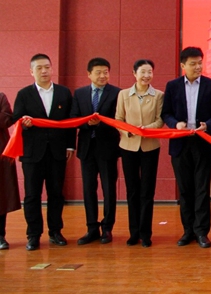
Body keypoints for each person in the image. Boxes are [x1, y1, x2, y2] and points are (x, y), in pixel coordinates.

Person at [162, 47, 211, 248]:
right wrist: (175, 124)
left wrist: (209, 125)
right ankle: (187, 230)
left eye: (199, 63)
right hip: (180, 143)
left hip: (203, 142)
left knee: (202, 189)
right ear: (183, 65)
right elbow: (166, 113)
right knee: (185, 189)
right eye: (193, 64)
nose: (198, 67)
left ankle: (201, 232)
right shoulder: (172, 86)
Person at [12, 53, 75, 251]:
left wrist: (70, 146)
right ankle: (33, 235)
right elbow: (16, 119)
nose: (44, 71)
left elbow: (71, 121)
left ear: (52, 68)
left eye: (47, 67)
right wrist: (25, 123)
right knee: (32, 195)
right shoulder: (24, 94)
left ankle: (55, 232)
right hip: (32, 153)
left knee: (56, 193)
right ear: (31, 71)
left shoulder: (64, 93)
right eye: (39, 68)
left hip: (57, 152)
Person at [71, 57, 121, 245]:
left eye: (106, 72)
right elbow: (74, 118)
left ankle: (107, 228)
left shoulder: (117, 93)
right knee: (88, 189)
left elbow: (118, 119)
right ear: (89, 74)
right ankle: (91, 227)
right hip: (87, 148)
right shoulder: (80, 93)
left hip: (108, 147)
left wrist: (100, 123)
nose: (102, 76)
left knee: (109, 189)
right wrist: (88, 123)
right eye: (98, 72)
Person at [116, 59, 164, 248]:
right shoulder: (123, 94)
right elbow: (118, 118)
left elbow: (160, 120)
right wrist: (128, 131)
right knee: (132, 190)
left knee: (147, 191)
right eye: (142, 72)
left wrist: (146, 129)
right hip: (128, 146)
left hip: (150, 147)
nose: (146, 76)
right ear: (134, 73)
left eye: (149, 72)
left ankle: (146, 233)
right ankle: (133, 232)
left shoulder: (158, 95)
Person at [1, 91, 20, 250]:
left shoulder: (1, 97)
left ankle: (0, 235)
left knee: (1, 194)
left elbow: (6, 119)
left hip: (1, 152)